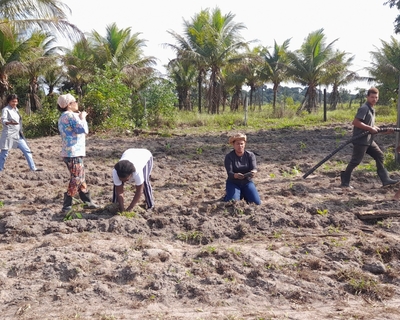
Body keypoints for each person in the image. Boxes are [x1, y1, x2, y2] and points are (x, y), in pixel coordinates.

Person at [340, 87, 399, 188]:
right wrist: (370, 128)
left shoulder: (372, 109)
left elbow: (373, 127)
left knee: (379, 155)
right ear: (367, 97)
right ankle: (345, 182)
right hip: (361, 140)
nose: (374, 99)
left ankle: (385, 180)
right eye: (372, 97)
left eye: (376, 97)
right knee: (355, 161)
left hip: (369, 140)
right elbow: (356, 122)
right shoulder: (364, 108)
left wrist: (386, 131)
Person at [57, 93, 97, 211]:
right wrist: (83, 117)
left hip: (70, 152)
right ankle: (67, 204)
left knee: (81, 177)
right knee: (77, 178)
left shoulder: (64, 116)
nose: (76, 103)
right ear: (69, 105)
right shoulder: (70, 116)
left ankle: (87, 201)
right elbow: (83, 129)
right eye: (74, 101)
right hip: (73, 152)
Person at [0, 94, 42, 172]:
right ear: (9, 101)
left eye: (16, 101)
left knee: (27, 150)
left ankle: (33, 168)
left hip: (18, 135)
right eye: (13, 101)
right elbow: (3, 120)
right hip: (8, 135)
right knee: (4, 153)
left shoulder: (16, 109)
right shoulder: (5, 110)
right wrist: (9, 122)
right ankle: (0, 170)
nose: (15, 103)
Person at [224, 133, 261, 205]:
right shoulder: (229, 157)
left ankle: (244, 193)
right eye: (237, 144)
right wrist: (236, 175)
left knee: (257, 203)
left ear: (245, 144)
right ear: (233, 145)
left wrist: (253, 172)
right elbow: (230, 173)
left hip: (247, 182)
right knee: (233, 202)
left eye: (241, 144)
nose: (240, 146)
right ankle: (230, 194)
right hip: (234, 182)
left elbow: (254, 168)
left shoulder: (250, 155)